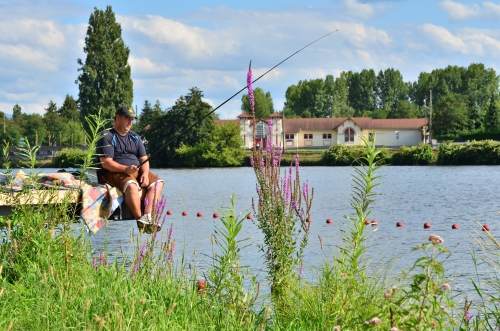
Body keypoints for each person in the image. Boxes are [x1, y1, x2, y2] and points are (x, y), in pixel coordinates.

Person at [96, 105, 164, 234]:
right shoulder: (107, 136)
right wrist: (126, 169)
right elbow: (106, 163)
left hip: (133, 171)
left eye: (132, 119)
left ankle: (147, 217)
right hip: (111, 173)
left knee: (158, 183)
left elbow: (144, 159)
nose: (130, 122)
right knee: (132, 186)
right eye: (127, 118)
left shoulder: (135, 137)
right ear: (118, 118)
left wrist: (144, 173)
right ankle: (140, 220)